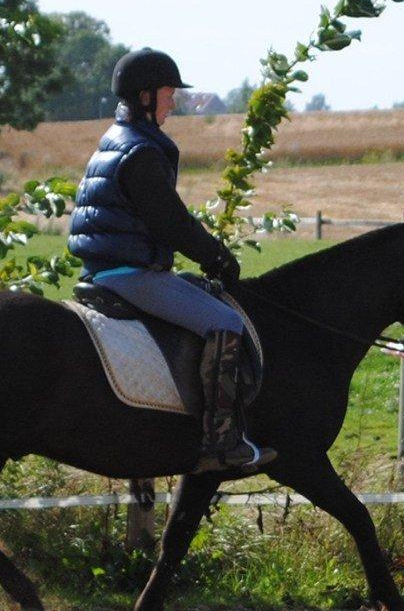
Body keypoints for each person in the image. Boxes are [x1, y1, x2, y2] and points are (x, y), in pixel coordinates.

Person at [68, 48, 276, 473]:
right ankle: (219, 440)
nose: (173, 101)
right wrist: (217, 257)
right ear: (145, 97)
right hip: (130, 274)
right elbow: (171, 223)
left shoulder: (117, 138)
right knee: (226, 323)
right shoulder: (141, 152)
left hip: (110, 268)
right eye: (168, 93)